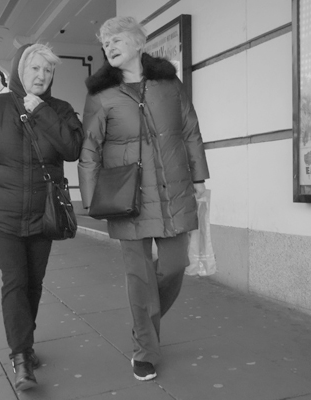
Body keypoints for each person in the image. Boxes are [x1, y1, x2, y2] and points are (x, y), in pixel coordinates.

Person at [78, 16, 210, 382]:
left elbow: (190, 130)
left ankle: (143, 329)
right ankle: (145, 350)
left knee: (174, 265)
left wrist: (199, 177)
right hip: (126, 197)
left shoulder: (169, 83)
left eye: (117, 38)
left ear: (139, 42)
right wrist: (91, 199)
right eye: (106, 43)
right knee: (139, 278)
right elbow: (89, 148)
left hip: (173, 190)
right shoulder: (101, 95)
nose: (111, 46)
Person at [0, 43, 84, 391]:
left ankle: (25, 343)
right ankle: (21, 356)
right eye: (34, 69)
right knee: (15, 281)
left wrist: (41, 111)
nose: (41, 76)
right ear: (19, 71)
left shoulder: (60, 110)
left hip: (45, 214)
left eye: (48, 71)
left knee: (34, 284)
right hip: (2, 215)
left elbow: (73, 149)